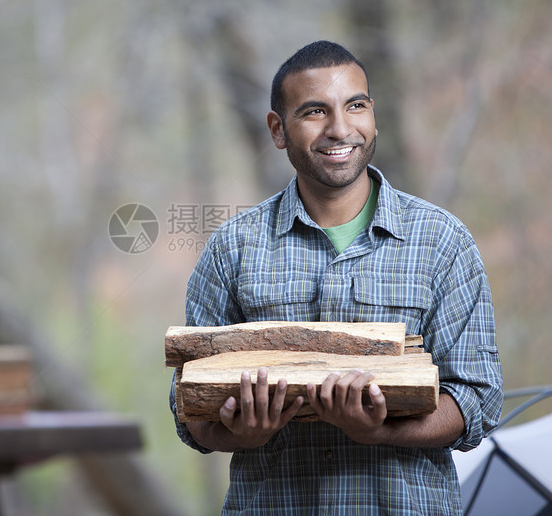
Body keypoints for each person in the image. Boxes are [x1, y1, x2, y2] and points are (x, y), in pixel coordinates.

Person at [170, 40, 503, 514]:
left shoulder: (442, 242)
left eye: (356, 105)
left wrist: (380, 430)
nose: (340, 128)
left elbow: (477, 401)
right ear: (277, 129)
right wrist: (237, 432)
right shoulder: (232, 249)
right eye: (314, 112)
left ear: (373, 114)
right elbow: (188, 408)